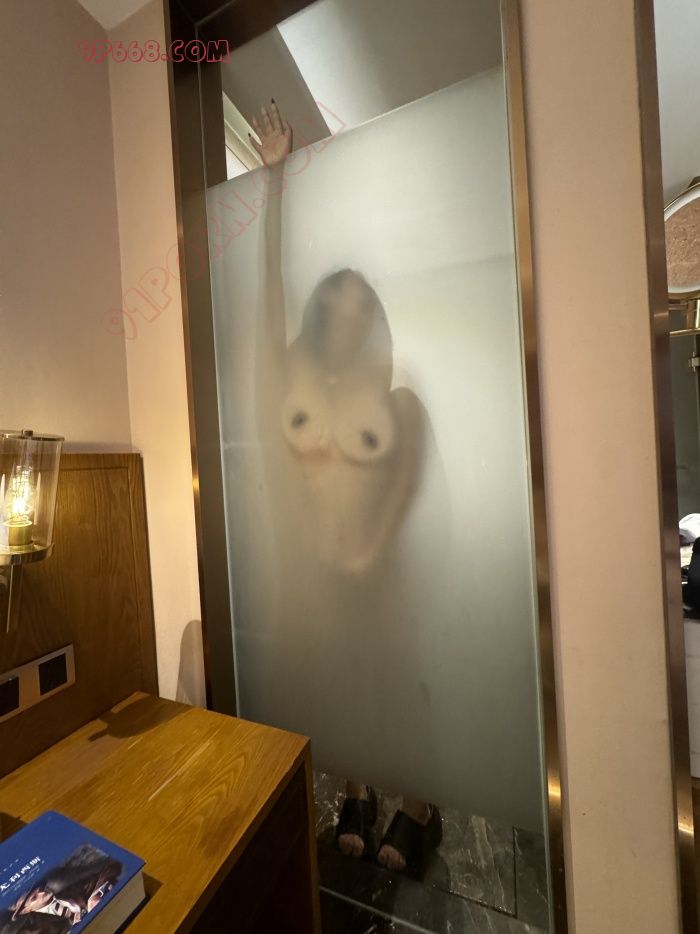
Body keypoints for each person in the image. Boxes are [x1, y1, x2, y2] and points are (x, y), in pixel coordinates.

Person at [248, 100, 442, 875]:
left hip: (376, 568)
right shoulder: (299, 380)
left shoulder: (391, 399)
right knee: (345, 678)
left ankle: (419, 804)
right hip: (322, 572)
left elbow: (407, 463)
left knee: (394, 680)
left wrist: (371, 549)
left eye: (364, 310)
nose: (349, 319)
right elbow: (266, 300)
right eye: (337, 305)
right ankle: (359, 791)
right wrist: (273, 185)